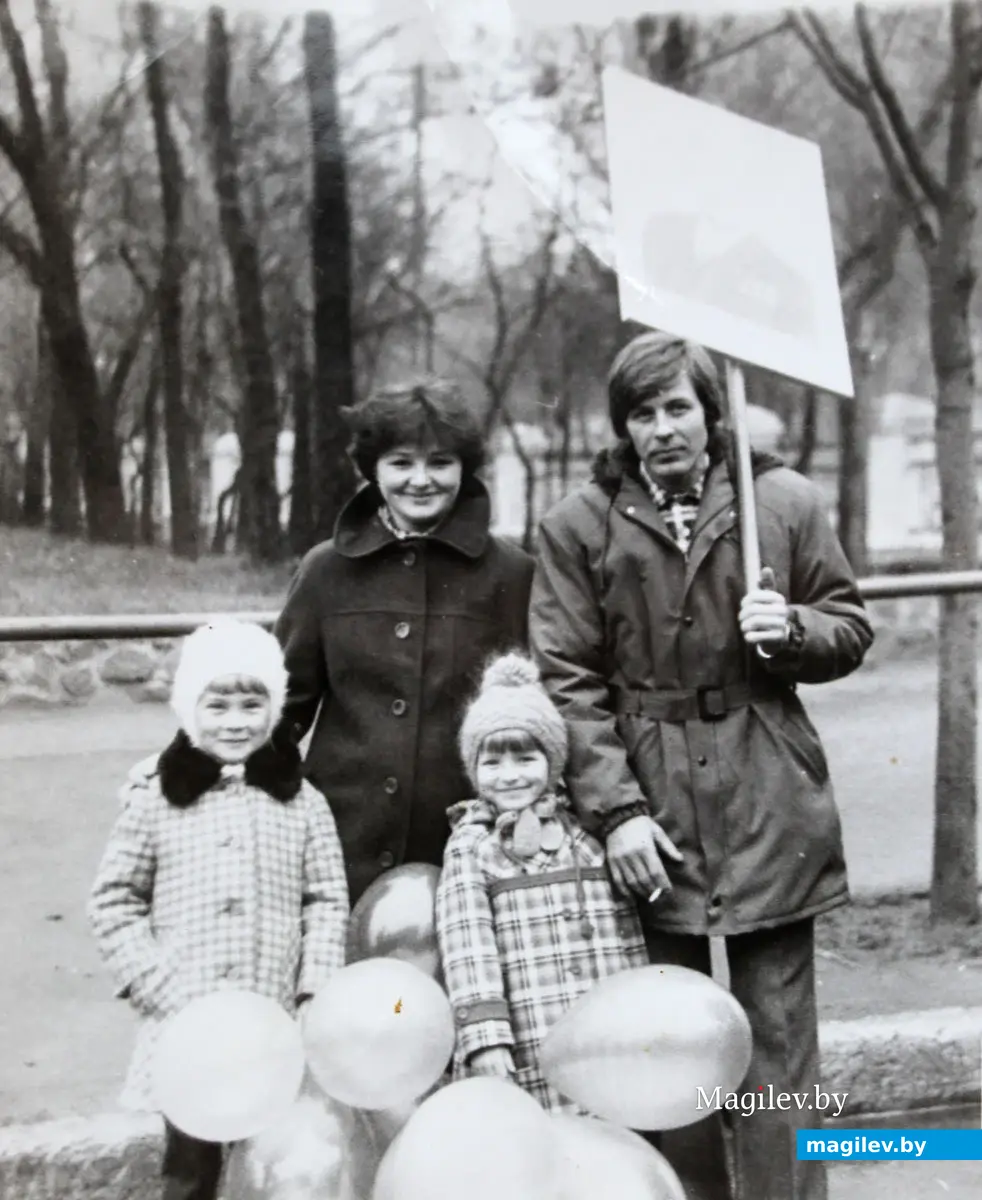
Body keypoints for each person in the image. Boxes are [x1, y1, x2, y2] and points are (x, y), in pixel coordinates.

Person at [528, 330, 873, 1200]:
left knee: (776, 1044)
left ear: (712, 414)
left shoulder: (782, 501)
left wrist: (790, 629)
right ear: (623, 426)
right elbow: (568, 680)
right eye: (642, 413)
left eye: (678, 407)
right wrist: (618, 814)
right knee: (668, 1045)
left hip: (768, 797)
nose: (663, 429)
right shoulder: (579, 526)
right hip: (652, 812)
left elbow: (848, 625)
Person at [87, 620, 349, 1200]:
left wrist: (313, 989)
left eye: (252, 705)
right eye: (218, 705)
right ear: (189, 708)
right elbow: (114, 899)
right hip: (186, 1028)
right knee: (190, 1172)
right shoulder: (156, 799)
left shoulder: (304, 803)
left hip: (275, 1026)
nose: (236, 722)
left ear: (274, 710)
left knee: (273, 1163)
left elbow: (327, 900)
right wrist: (156, 983)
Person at [275, 378, 534, 905]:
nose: (420, 480)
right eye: (400, 463)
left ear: (464, 467)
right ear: (372, 469)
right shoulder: (325, 570)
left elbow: (539, 714)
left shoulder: (512, 573)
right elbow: (279, 708)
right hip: (339, 849)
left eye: (439, 462)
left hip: (470, 851)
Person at [435, 652, 648, 1113]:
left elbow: (626, 932)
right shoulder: (471, 846)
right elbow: (467, 948)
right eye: (493, 762)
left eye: (526, 758)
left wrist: (637, 1012)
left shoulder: (586, 837)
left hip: (601, 1040)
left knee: (608, 1136)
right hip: (526, 1044)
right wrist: (486, 1037)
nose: (510, 775)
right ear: (473, 768)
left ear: (551, 760)